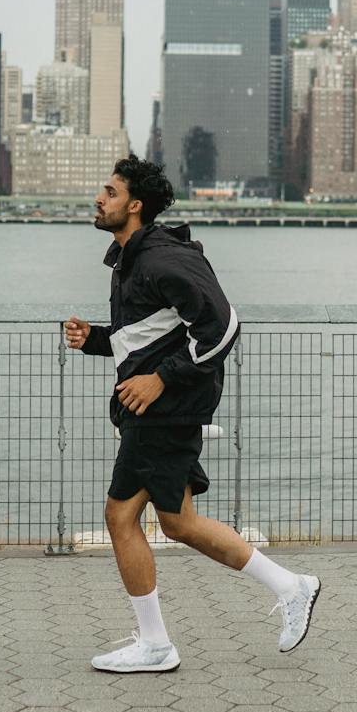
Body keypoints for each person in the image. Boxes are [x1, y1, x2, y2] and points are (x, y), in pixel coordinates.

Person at [63, 155, 321, 674]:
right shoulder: (131, 260)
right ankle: (292, 586)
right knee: (178, 522)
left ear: (134, 206)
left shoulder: (162, 259)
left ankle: (156, 644)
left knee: (120, 517)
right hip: (160, 410)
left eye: (110, 192)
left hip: (163, 412)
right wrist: (94, 339)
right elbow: (147, 337)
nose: (99, 198)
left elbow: (223, 328)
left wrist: (162, 379)